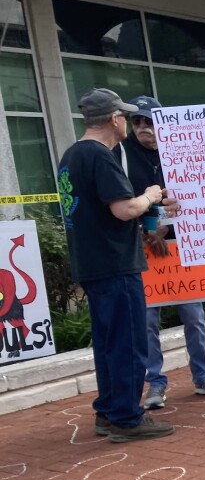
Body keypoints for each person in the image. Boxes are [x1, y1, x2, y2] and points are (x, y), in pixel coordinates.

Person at [57, 88, 177, 443]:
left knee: (109, 343)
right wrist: (151, 197)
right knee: (127, 342)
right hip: (114, 263)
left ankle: (109, 411)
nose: (127, 121)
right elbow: (124, 209)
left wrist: (151, 206)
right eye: (124, 116)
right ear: (114, 119)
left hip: (92, 262)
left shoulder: (72, 155)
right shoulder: (100, 155)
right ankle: (126, 416)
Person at [116, 95, 205, 409]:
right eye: (137, 121)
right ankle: (155, 383)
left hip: (181, 246)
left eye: (149, 122)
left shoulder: (178, 151)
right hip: (142, 247)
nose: (143, 128)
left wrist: (161, 224)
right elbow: (123, 200)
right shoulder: (122, 154)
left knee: (194, 316)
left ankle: (202, 377)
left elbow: (195, 195)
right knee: (148, 319)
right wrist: (151, 227)